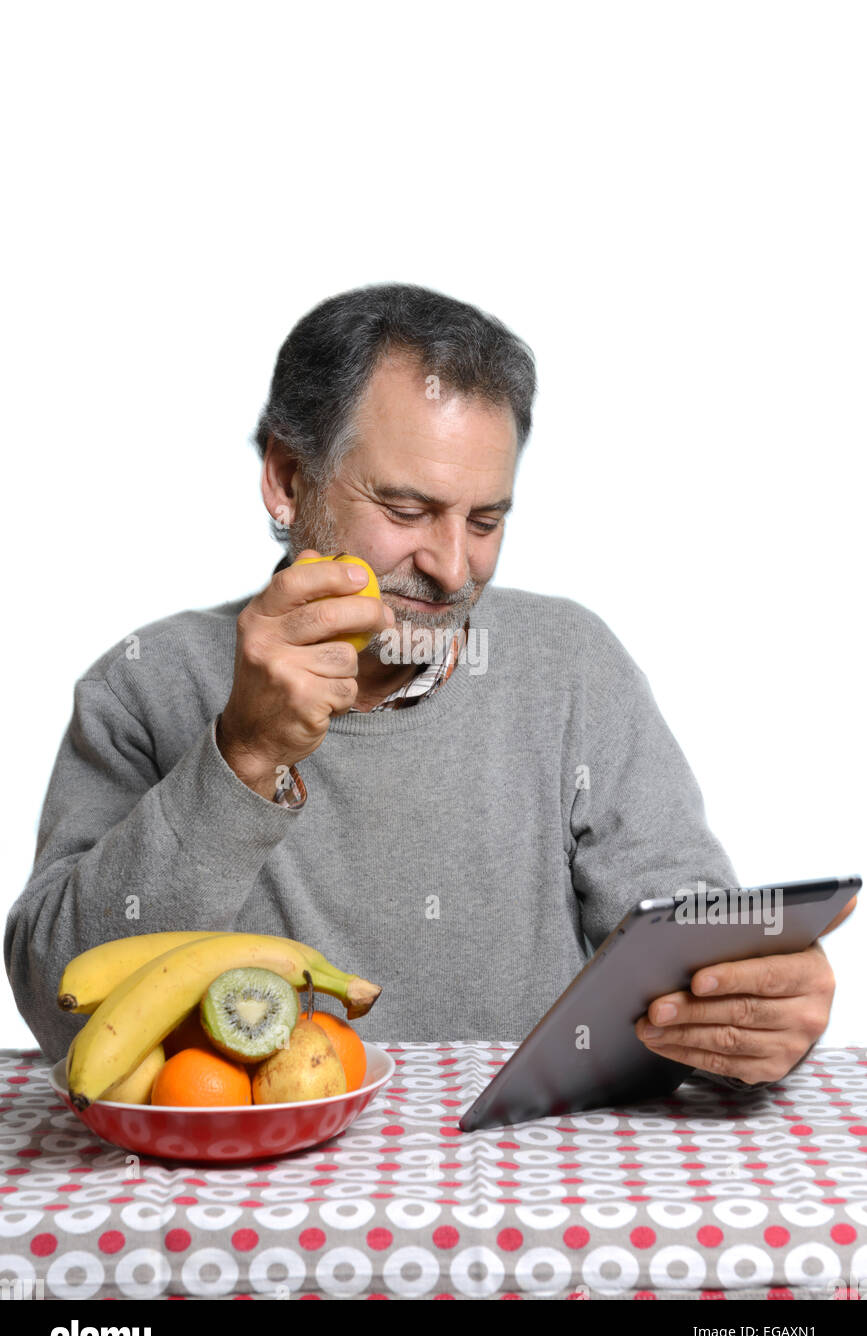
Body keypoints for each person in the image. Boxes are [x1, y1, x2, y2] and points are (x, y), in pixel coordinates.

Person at [5, 283, 851, 1082]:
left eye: (484, 521)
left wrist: (754, 1009)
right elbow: (63, 1009)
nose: (452, 569)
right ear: (288, 480)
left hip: (536, 1175)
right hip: (246, 1204)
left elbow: (684, 947)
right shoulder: (143, 685)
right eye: (407, 512)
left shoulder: (573, 664)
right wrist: (244, 756)